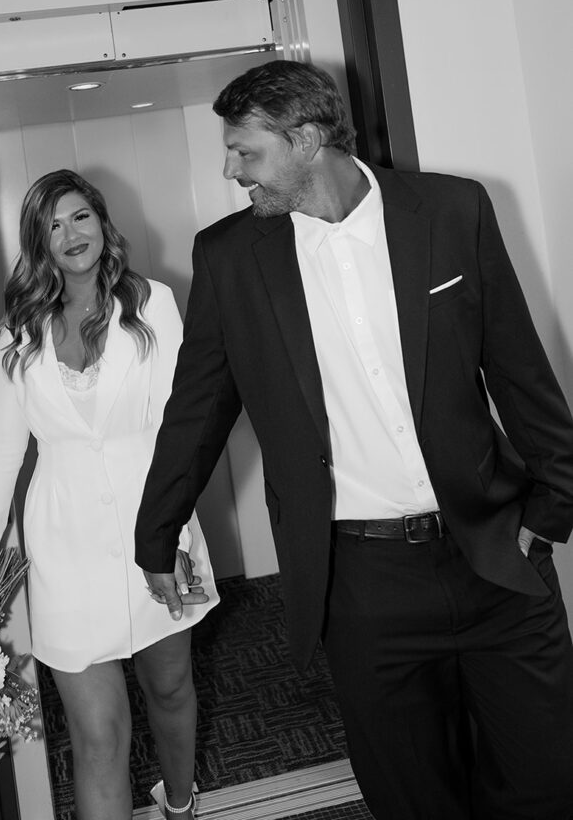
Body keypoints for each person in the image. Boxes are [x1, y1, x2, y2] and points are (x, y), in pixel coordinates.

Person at [134, 60, 573, 820]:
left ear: (306, 140)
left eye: (246, 151)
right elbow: (197, 409)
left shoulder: (449, 209)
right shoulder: (231, 258)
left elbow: (519, 369)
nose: (231, 170)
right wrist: (155, 531)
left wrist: (553, 509)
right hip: (360, 581)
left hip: (496, 554)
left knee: (550, 780)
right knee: (412, 800)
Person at [0, 169, 217, 820]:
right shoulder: (17, 332)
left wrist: (180, 536)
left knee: (169, 688)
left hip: (155, 528)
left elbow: (177, 428)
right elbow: (0, 449)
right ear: (38, 244)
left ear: (102, 222)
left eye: (79, 216)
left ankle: (179, 800)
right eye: (52, 225)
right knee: (98, 734)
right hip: (63, 544)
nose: (69, 234)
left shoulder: (153, 302)